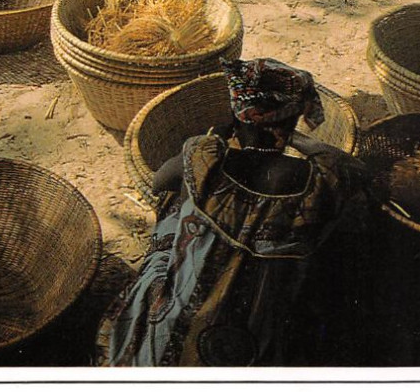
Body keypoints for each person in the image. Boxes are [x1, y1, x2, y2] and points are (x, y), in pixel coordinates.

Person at [103, 58, 364, 367]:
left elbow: (161, 181)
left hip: (173, 335)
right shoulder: (318, 178)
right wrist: (293, 136)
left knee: (174, 207)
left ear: (236, 114)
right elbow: (357, 170)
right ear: (293, 120)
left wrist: (224, 138)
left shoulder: (204, 157)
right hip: (256, 336)